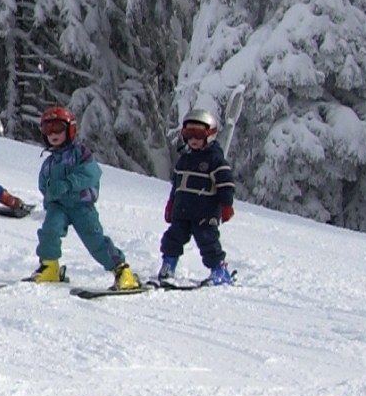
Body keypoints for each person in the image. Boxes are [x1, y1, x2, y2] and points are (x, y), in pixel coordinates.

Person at [29, 104, 140, 292]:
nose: (53, 134)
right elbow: (43, 184)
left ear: (70, 130)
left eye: (58, 129)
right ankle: (50, 266)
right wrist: (50, 194)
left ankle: (122, 271)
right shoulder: (49, 162)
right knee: (50, 231)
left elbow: (91, 174)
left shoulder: (81, 153)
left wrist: (68, 184)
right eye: (48, 130)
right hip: (59, 206)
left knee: (94, 238)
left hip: (81, 205)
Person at [159, 107, 237, 285]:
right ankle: (168, 265)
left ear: (209, 135)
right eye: (189, 134)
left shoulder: (215, 160)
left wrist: (226, 205)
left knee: (208, 242)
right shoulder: (184, 159)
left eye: (198, 135)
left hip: (205, 212)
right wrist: (171, 204)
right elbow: (177, 186)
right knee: (173, 238)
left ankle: (219, 270)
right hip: (182, 210)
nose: (193, 140)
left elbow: (226, 184)